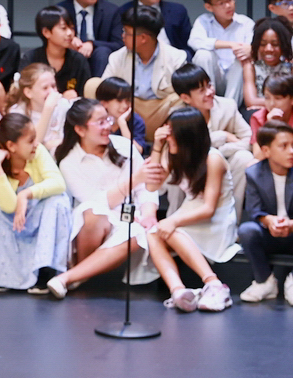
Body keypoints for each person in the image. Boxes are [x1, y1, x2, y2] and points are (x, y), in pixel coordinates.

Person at [46, 98, 187, 300]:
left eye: (108, 120)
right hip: (94, 223)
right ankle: (80, 269)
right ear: (80, 130)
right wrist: (133, 180)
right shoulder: (69, 162)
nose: (108, 126)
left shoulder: (123, 146)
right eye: (100, 122)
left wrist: (148, 214)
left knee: (137, 232)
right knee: (93, 212)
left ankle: (69, 278)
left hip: (130, 218)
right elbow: (97, 202)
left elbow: (146, 188)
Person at [150, 106, 237, 311]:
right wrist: (157, 147)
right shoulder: (174, 154)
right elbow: (152, 186)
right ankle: (178, 291)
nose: (167, 136)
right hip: (189, 211)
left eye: (172, 132)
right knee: (153, 234)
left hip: (216, 218)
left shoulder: (213, 158)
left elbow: (209, 209)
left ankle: (214, 284)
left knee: (171, 230)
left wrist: (173, 220)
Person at [236, 121, 293, 306]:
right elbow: (254, 210)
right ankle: (264, 281)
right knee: (246, 230)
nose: (292, 151)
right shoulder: (254, 174)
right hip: (269, 234)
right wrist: (268, 220)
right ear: (266, 150)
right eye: (284, 146)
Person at [0, 111, 72, 291]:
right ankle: (2, 277)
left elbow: (59, 184)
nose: (36, 144)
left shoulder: (39, 152)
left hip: (41, 216)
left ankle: (46, 271)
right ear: (11, 146)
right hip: (16, 222)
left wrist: (26, 194)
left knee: (57, 202)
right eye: (30, 140)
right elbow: (9, 206)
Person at [170, 62, 253, 200]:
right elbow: (181, 151)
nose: (209, 92)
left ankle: (233, 212)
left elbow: (249, 140)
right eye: (201, 90)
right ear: (185, 98)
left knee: (244, 157)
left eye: (209, 85)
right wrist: (221, 136)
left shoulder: (227, 106)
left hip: (223, 164)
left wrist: (221, 150)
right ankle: (175, 212)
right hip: (191, 168)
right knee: (176, 167)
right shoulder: (177, 115)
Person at [101, 5, 180, 132]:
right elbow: (105, 89)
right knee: (93, 86)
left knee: (183, 97)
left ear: (143, 38)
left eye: (126, 33)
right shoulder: (117, 57)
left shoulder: (176, 58)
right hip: (128, 111)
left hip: (160, 114)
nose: (122, 36)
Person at [188, 0, 252, 99]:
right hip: (213, 74)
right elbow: (194, 41)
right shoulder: (204, 21)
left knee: (242, 60)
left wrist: (250, 49)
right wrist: (230, 45)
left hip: (236, 78)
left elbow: (252, 47)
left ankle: (230, 106)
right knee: (203, 55)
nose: (228, 6)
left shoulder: (246, 23)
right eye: (221, 3)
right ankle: (207, 101)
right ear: (209, 7)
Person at [57, 0, 125, 73]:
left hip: (99, 59)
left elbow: (119, 44)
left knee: (102, 52)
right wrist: (69, 40)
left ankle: (98, 84)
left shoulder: (111, 11)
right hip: (70, 56)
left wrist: (92, 44)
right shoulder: (61, 10)